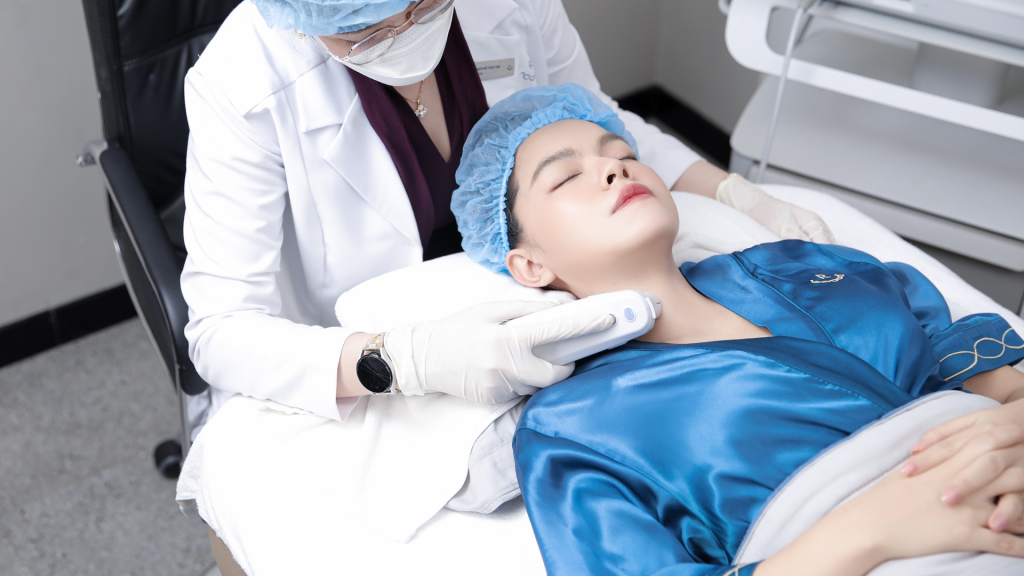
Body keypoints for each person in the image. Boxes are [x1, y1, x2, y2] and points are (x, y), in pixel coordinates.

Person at [180, 0, 837, 433]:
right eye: (367, 29)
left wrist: (736, 194)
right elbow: (221, 331)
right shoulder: (241, 85)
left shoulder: (508, 7)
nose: (406, 30)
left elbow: (599, 122)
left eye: (425, 4)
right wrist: (403, 361)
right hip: (361, 357)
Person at [449, 83, 1024, 576]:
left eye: (622, 153)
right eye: (567, 176)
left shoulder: (803, 264)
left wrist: (1011, 428)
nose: (613, 167)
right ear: (529, 265)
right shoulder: (570, 426)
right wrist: (865, 532)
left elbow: (981, 374)